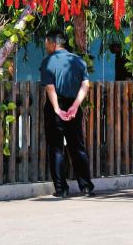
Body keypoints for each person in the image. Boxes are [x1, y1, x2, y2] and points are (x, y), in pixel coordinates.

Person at [40, 32, 95, 198]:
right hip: (73, 106)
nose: (45, 46)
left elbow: (50, 88)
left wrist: (57, 109)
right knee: (77, 146)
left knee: (56, 148)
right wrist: (76, 106)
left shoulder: (48, 61)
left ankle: (61, 189)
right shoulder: (78, 61)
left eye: (46, 42)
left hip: (55, 106)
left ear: (52, 43)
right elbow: (85, 85)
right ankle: (86, 187)